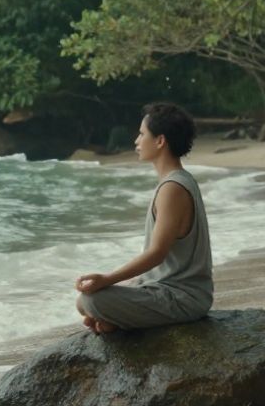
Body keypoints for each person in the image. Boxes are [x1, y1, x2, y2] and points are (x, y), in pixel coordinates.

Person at [75, 102, 213, 334]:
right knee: (87, 300)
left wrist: (108, 279)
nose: (136, 141)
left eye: (141, 134)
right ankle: (114, 321)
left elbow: (157, 253)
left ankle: (114, 320)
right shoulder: (177, 181)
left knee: (91, 302)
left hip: (184, 298)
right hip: (167, 290)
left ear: (160, 141)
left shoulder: (173, 188)